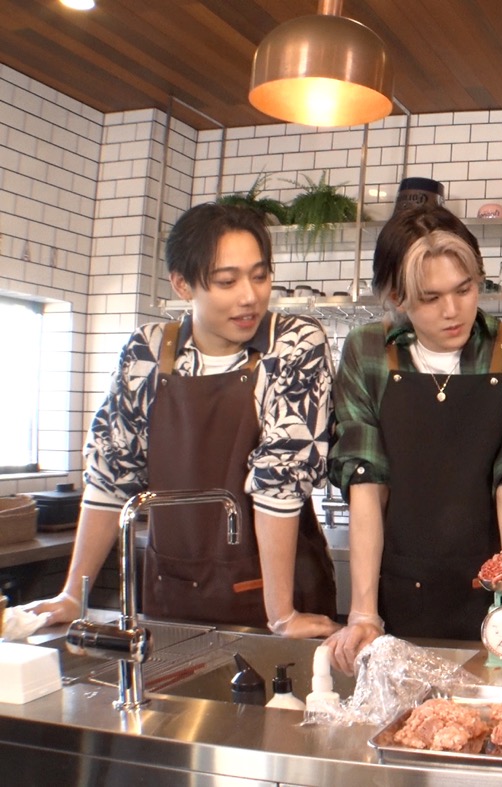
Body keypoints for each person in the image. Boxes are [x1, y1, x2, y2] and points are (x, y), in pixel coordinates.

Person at [23, 203, 338, 636]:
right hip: (173, 593)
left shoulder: (293, 343)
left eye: (260, 276)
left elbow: (278, 482)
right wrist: (73, 595)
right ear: (182, 284)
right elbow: (112, 475)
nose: (250, 296)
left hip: (280, 595)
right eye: (227, 281)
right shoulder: (147, 353)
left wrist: (281, 614)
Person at [324, 205, 502, 673]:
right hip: (398, 599)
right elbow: (366, 478)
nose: (452, 310)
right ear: (396, 297)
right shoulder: (367, 351)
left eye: (464, 289)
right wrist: (362, 614)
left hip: (498, 606)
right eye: (429, 298)